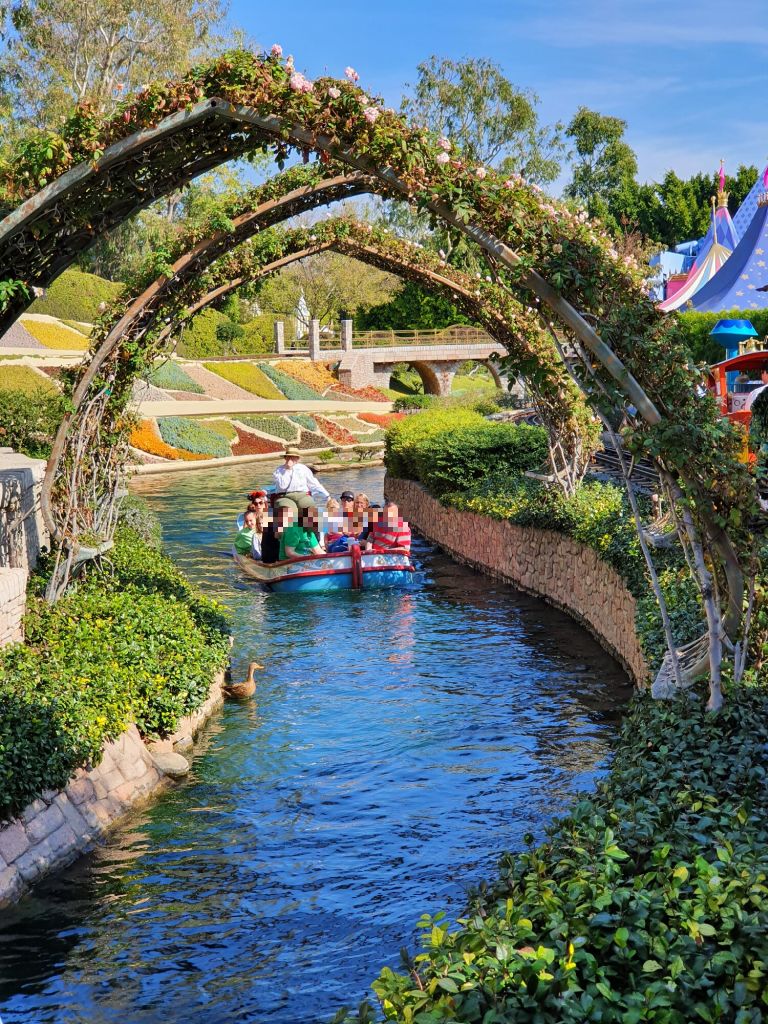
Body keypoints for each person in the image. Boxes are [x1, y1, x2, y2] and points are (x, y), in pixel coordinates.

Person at [272, 447, 329, 514]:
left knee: (311, 510)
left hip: (302, 495)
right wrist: (288, 469)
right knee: (288, 511)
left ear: (297, 459)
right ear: (285, 458)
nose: (290, 459)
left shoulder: (303, 468)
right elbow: (282, 486)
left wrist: (327, 495)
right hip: (285, 496)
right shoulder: (279, 470)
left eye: (293, 457)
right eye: (289, 457)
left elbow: (313, 483)